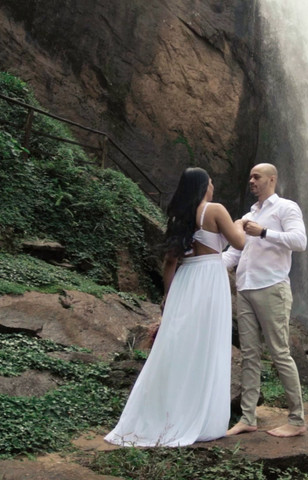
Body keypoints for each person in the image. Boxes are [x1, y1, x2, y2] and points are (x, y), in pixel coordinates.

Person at [105, 167, 245, 447]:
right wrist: (240, 224)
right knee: (207, 345)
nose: (214, 185)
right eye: (211, 181)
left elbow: (170, 262)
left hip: (184, 281)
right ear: (203, 185)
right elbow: (239, 243)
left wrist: (168, 296)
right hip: (209, 280)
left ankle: (164, 412)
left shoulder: (178, 216)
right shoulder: (215, 210)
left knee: (177, 345)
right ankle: (202, 417)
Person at [223, 163, 308, 438]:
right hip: (245, 290)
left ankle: (297, 420)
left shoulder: (286, 208)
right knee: (250, 356)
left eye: (256, 177)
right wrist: (203, 264)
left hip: (272, 287)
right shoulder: (248, 215)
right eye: (249, 176)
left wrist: (263, 232)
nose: (251, 181)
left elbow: (300, 241)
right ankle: (248, 418)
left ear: (272, 179)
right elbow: (234, 255)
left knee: (279, 353)